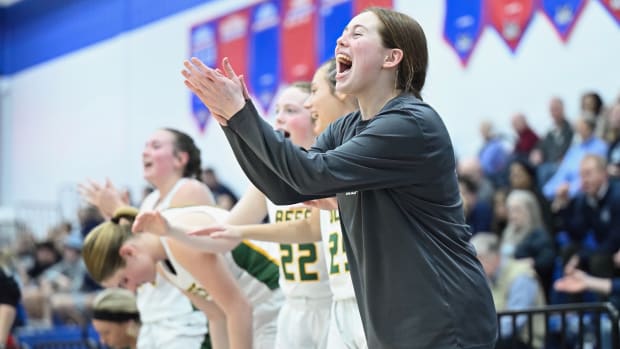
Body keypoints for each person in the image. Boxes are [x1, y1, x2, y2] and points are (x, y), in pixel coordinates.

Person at [182, 7, 497, 348]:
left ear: (392, 57)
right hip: (391, 321)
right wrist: (232, 122)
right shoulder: (345, 128)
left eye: (357, 34)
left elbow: (309, 175)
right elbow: (284, 188)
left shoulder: (410, 123)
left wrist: (243, 116)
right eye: (343, 32)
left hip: (442, 314)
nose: (340, 39)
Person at [142, 59, 366, 348]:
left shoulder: (335, 162)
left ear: (314, 115)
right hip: (294, 304)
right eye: (276, 111)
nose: (280, 118)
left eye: (291, 110)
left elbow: (309, 228)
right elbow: (223, 235)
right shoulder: (271, 181)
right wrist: (171, 232)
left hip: (335, 298)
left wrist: (244, 233)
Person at [79, 128, 214, 349]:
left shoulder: (190, 189)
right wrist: (117, 218)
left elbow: (172, 252)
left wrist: (121, 210)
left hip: (186, 317)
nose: (145, 152)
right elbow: (139, 253)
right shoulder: (150, 201)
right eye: (145, 146)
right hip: (152, 314)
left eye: (156, 146)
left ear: (180, 158)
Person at [84, 206, 283, 349]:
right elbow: (216, 316)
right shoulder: (161, 262)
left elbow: (238, 308)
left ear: (129, 253)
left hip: (277, 297)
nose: (131, 289)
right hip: (258, 311)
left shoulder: (177, 241)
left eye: (124, 281)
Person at [471, 233, 546, 349]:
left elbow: (514, 321)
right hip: (501, 338)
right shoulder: (489, 277)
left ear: (495, 257)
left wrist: (481, 336)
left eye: (479, 260)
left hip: (525, 341)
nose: (475, 267)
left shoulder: (521, 276)